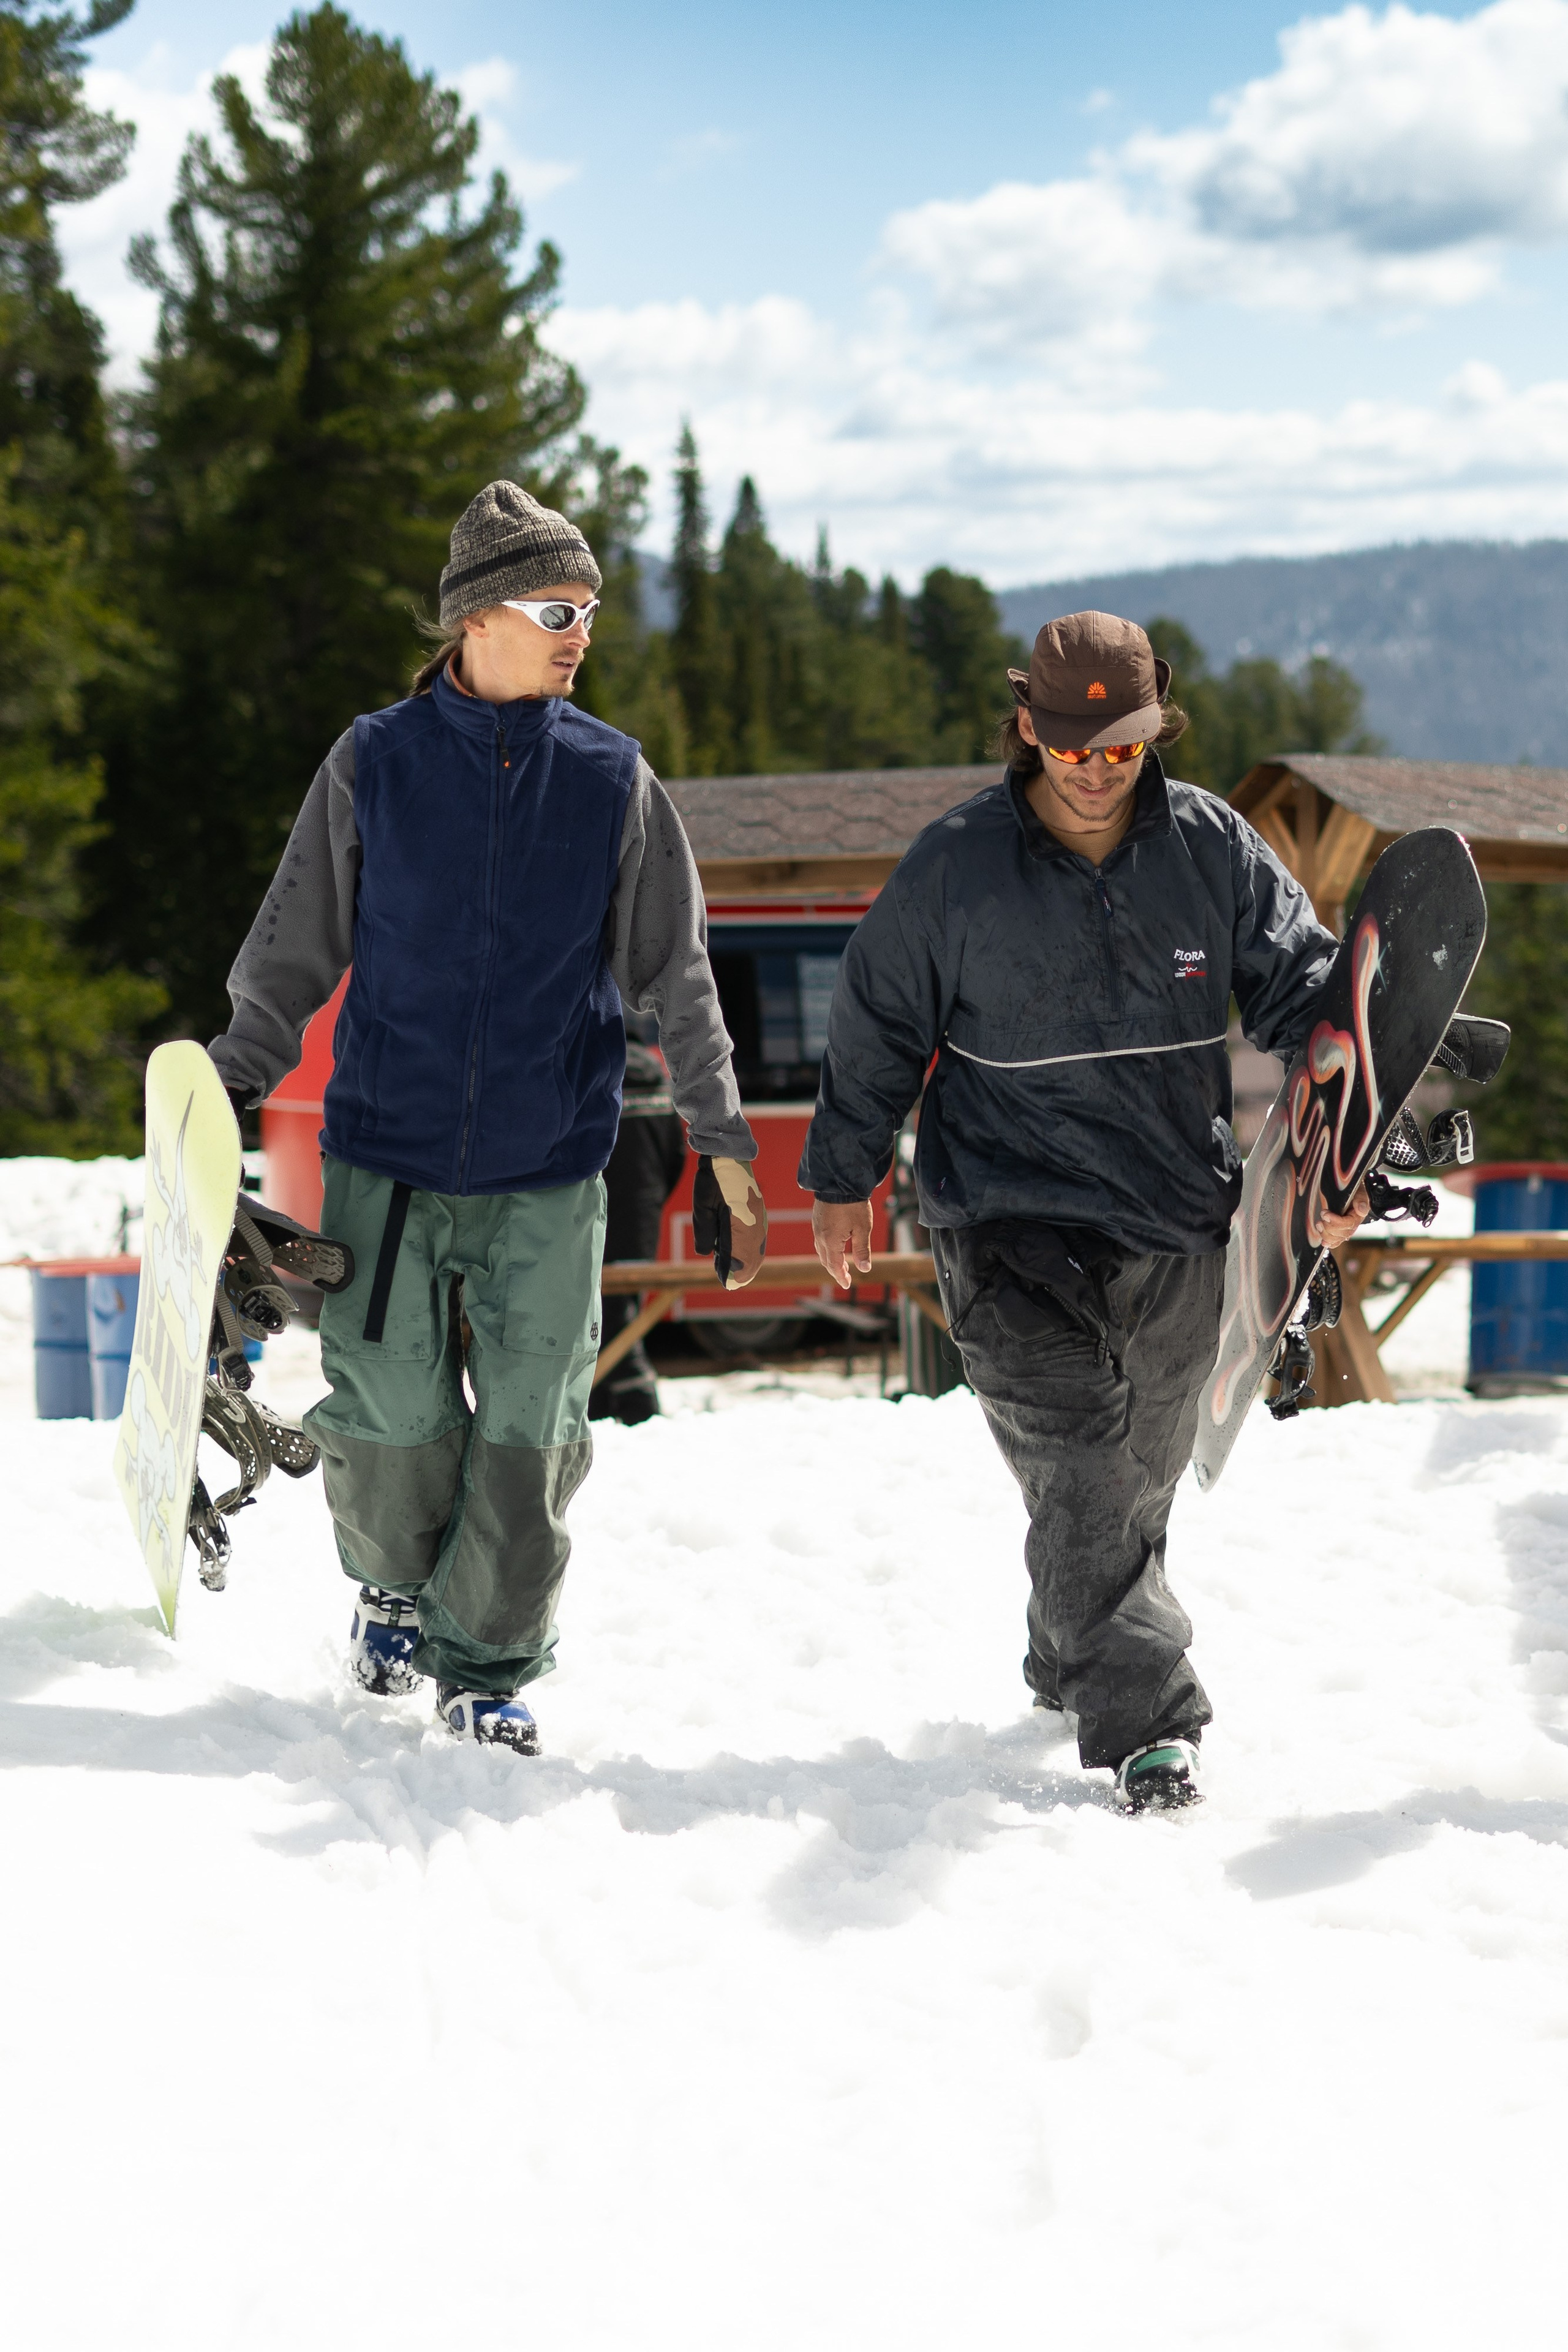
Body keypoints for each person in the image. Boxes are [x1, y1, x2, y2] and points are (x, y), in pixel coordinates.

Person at [209, 481, 766, 1752]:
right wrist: (234, 1076)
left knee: (531, 1426)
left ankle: (490, 1663)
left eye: (590, 611)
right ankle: (395, 1590)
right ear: (476, 620)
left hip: (547, 1165)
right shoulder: (375, 764)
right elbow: (293, 945)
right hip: (388, 1157)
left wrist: (724, 1140)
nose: (581, 633)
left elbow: (678, 974)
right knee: (391, 1409)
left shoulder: (611, 780)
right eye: (556, 607)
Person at [800, 611, 1366, 1813]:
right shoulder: (954, 867)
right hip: (1002, 1220)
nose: (1097, 769)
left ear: (1153, 724)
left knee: (1138, 1483)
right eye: (1072, 747)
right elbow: (876, 1023)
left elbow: (1296, 991)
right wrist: (843, 1174)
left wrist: (1367, 1048)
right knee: (1079, 1472)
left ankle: (1067, 1647)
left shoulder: (1208, 847)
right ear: (1025, 730)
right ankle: (1148, 1727)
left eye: (1120, 746)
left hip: (1173, 1215)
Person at [590, 1008, 688, 1427]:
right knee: (626, 1302)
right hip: (642, 1211)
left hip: (593, 1209)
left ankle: (630, 1396)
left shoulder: (592, 1069)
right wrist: (652, 1198)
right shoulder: (659, 1077)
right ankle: (618, 1393)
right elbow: (676, 1153)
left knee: (592, 1302)